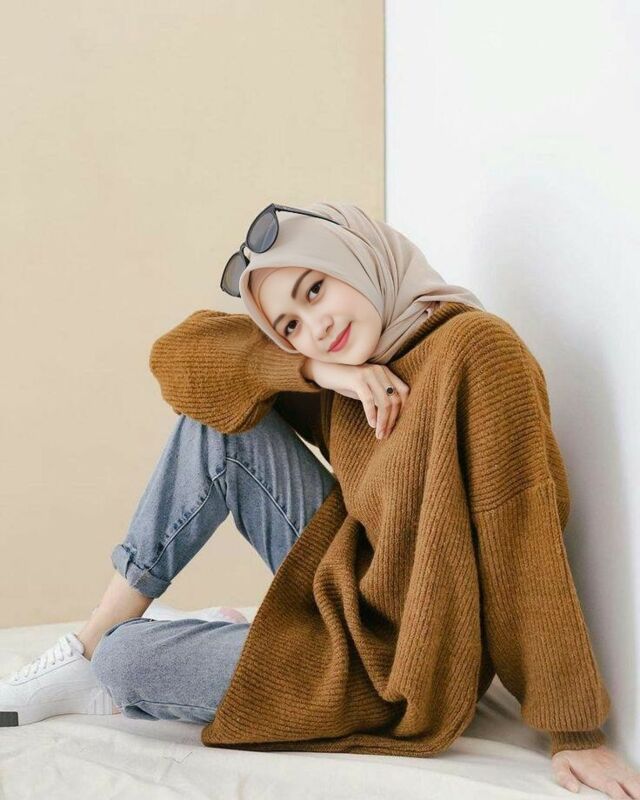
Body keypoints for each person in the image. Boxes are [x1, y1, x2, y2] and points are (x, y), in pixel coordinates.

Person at [1, 202, 638, 798]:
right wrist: (315, 370)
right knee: (219, 426)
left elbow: (522, 537)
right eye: (290, 326)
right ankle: (88, 643)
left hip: (397, 663)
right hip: (345, 585)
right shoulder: (351, 367)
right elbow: (179, 357)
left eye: (315, 290)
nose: (318, 326)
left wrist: (574, 730)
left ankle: (115, 652)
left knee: (128, 661)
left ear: (359, 259)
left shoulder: (477, 352)